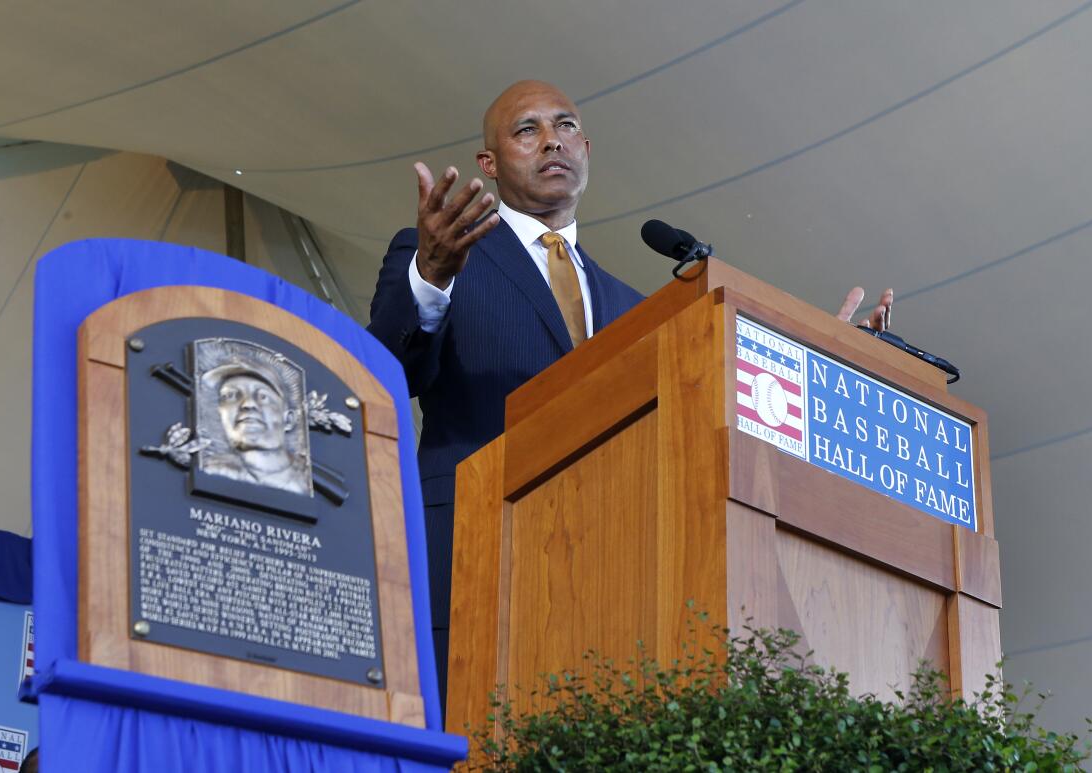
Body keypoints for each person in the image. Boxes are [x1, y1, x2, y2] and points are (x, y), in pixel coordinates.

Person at [367, 80, 893, 704]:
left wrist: (821, 366)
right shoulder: (439, 254)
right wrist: (429, 277)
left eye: (564, 127)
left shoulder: (633, 308)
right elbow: (387, 377)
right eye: (526, 130)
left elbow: (706, 416)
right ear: (489, 164)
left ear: (586, 148)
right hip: (472, 554)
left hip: (611, 572)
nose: (552, 141)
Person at [199, 360, 311, 495]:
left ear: (288, 420)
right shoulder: (210, 470)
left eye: (263, 396)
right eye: (230, 396)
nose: (247, 404)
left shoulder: (308, 479)